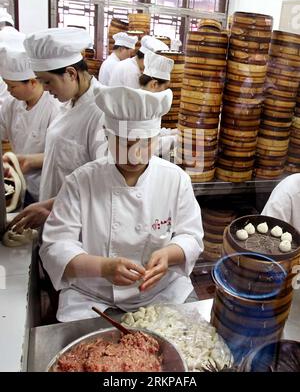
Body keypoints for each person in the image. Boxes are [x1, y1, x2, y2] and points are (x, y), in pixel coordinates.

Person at [39, 86, 204, 322]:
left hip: (162, 294)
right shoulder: (81, 181)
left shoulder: (175, 179)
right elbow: (55, 247)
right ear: (107, 136)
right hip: (91, 299)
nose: (135, 154)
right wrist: (103, 268)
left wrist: (169, 254)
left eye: (146, 143)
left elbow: (191, 236)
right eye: (125, 144)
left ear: (157, 139)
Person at [8, 27, 107, 231]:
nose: (44, 88)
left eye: (47, 81)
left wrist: (49, 207)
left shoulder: (101, 112)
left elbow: (104, 182)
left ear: (71, 74)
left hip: (78, 224)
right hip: (55, 214)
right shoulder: (68, 103)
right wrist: (28, 161)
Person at [0, 43, 60, 205]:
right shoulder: (11, 105)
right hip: (19, 182)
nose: (9, 90)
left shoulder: (55, 107)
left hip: (45, 186)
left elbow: (63, 155)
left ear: (33, 82)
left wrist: (31, 161)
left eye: (12, 86)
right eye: (6, 85)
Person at [139, 51, 177, 159]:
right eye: (164, 88)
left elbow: (152, 131)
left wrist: (171, 132)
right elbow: (144, 146)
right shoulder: (138, 106)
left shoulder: (149, 102)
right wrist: (175, 139)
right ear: (154, 84)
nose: (165, 92)